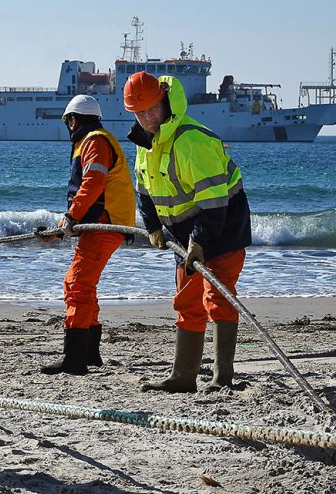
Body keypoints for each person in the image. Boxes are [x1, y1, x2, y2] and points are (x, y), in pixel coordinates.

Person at [124, 71, 252, 393]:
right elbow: (144, 190)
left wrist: (199, 241)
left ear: (165, 100)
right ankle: (183, 377)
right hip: (186, 234)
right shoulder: (146, 144)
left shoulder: (192, 140)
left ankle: (223, 378)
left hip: (223, 227)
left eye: (152, 108)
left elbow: (213, 205)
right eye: (140, 113)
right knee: (186, 300)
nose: (148, 117)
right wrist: (152, 226)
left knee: (217, 298)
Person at [37, 95, 135, 375]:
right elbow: (89, 192)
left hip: (105, 225)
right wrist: (58, 230)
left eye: (68, 120)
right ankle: (90, 354)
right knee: (83, 285)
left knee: (76, 285)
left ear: (74, 119)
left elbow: (92, 184)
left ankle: (75, 360)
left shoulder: (94, 141)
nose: (68, 126)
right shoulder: (96, 140)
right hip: (104, 224)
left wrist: (69, 219)